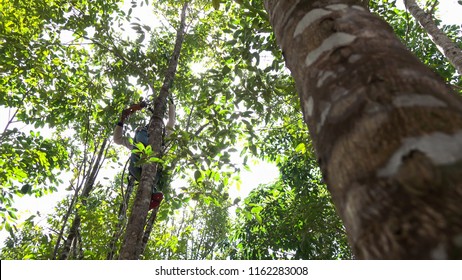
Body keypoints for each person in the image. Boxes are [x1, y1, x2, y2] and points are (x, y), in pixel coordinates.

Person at [113, 100, 176, 210]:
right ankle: (153, 193)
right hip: (139, 167)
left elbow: (171, 122)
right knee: (132, 166)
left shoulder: (163, 138)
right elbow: (117, 139)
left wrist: (171, 104)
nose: (150, 127)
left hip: (155, 163)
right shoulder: (137, 141)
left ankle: (154, 192)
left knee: (140, 136)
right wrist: (121, 120)